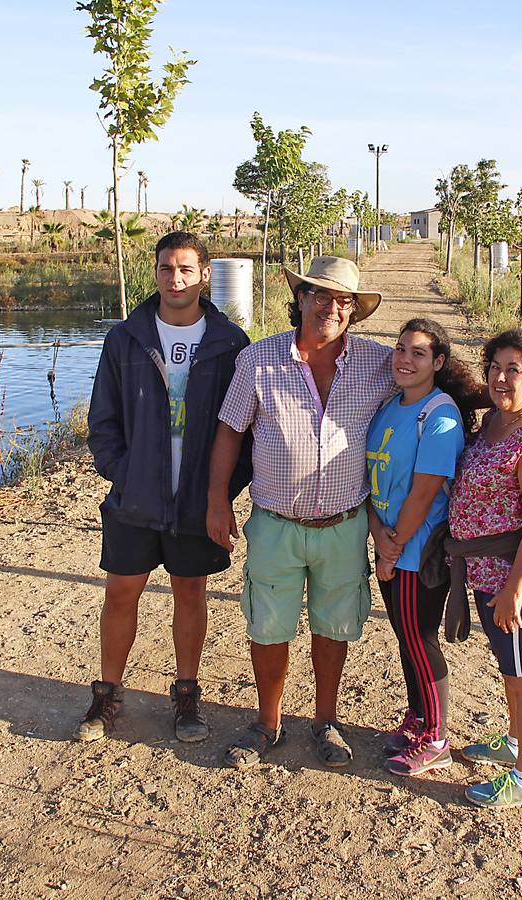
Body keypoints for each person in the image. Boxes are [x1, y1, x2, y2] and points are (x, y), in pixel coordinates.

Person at [207, 256, 393, 770]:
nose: (330, 308)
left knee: (333, 627)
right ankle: (267, 723)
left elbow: (427, 384)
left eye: (344, 301)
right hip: (275, 524)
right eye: (320, 296)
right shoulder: (260, 360)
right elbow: (230, 430)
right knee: (268, 627)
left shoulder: (378, 364)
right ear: (302, 298)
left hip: (343, 525)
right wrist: (217, 500)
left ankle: (325, 721)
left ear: (354, 311)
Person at [79, 231, 251, 744]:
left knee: (190, 591)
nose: (174, 279)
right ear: (154, 273)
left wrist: (222, 490)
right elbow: (103, 419)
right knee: (121, 591)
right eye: (165, 268)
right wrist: (124, 471)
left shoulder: (229, 344)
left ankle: (186, 693)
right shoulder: (126, 338)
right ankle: (107, 693)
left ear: (204, 275)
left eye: (185, 269)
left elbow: (243, 428)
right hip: (136, 499)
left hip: (196, 501)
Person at [448, 328, 522, 808]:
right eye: (495, 367)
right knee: (510, 671)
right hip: (485, 573)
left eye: (513, 369)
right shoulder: (498, 421)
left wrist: (515, 589)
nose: (500, 378)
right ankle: (516, 743)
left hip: (516, 581)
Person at [365, 318, 479, 777]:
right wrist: (377, 533)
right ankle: (417, 718)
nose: (404, 359)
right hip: (390, 543)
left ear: (438, 362)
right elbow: (372, 482)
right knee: (404, 637)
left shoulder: (441, 414)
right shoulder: (390, 405)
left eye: (417, 353)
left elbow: (425, 490)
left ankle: (436, 737)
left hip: (416, 551)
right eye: (399, 349)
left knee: (419, 638)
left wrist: (393, 548)